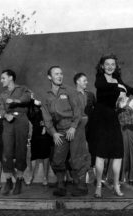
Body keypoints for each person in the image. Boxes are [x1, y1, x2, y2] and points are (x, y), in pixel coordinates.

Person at [87, 54, 133, 198]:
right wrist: (117, 85)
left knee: (117, 153)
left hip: (112, 117)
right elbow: (100, 86)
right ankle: (98, 186)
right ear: (102, 66)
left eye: (113, 64)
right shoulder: (100, 78)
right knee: (101, 153)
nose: (110, 66)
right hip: (100, 118)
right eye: (107, 64)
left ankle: (116, 185)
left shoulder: (118, 79)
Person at [41, 66, 90, 197]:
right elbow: (46, 117)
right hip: (60, 130)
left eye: (61, 74)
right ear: (49, 77)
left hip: (75, 127)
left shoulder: (70, 91)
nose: (59, 76)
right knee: (57, 159)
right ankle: (61, 185)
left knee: (77, 158)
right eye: (56, 74)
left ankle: (82, 186)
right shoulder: (46, 96)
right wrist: (53, 133)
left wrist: (73, 127)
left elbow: (78, 111)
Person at [0, 69, 32, 195]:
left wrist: (14, 101)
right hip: (8, 122)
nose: (1, 80)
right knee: (6, 152)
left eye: (3, 78)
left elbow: (27, 98)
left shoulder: (22, 89)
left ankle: (19, 180)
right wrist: (6, 115)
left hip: (21, 120)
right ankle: (8, 181)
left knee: (21, 151)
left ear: (11, 78)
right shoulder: (2, 94)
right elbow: (1, 109)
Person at [27, 95, 53, 186]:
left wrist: (45, 127)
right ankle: (31, 176)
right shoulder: (28, 107)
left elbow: (47, 113)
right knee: (33, 156)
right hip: (35, 134)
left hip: (45, 134)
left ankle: (45, 177)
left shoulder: (39, 105)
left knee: (45, 156)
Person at [73, 73, 96, 170]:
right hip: (77, 127)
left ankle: (92, 169)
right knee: (77, 149)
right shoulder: (71, 95)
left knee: (92, 148)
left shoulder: (90, 94)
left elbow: (96, 109)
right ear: (77, 81)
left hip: (90, 127)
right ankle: (76, 172)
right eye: (84, 80)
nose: (87, 82)